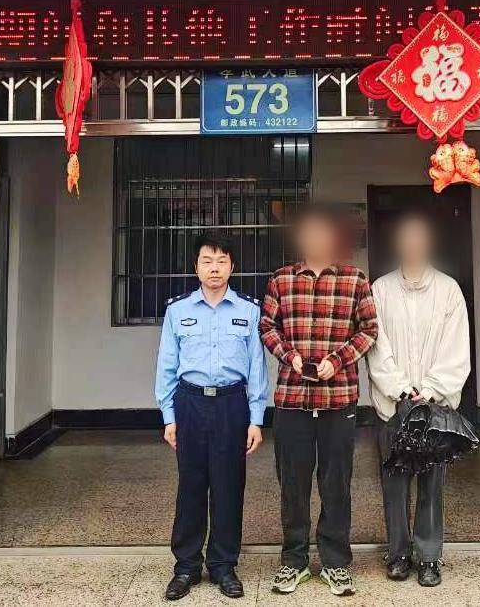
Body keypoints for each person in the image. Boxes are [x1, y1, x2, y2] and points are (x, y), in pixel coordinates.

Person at [259, 203, 378, 597]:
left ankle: (335, 562)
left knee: (336, 482)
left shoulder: (355, 280)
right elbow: (267, 327)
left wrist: (337, 360)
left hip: (338, 399)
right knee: (292, 483)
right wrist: (290, 357)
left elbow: (369, 330)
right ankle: (293, 560)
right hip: (292, 400)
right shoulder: (281, 280)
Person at [154, 234, 270, 600]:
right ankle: (186, 566)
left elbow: (257, 368)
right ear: (196, 267)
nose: (214, 268)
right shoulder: (178, 311)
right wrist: (168, 416)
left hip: (232, 404)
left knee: (228, 485)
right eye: (207, 261)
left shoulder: (249, 310)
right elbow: (166, 366)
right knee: (191, 485)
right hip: (189, 403)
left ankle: (223, 565)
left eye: (221, 261)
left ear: (232, 267)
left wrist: (256, 418)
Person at [366, 211, 472, 587]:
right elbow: (376, 345)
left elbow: (456, 348)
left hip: (436, 406)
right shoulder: (380, 290)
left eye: (419, 238)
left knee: (431, 483)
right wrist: (400, 390)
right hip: (392, 405)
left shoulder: (448, 290)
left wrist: (427, 391)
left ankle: (428, 557)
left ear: (428, 244)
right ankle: (398, 553)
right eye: (406, 238)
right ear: (398, 244)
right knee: (394, 482)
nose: (413, 244)